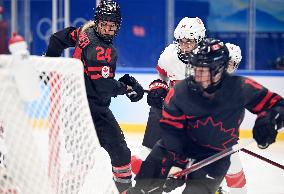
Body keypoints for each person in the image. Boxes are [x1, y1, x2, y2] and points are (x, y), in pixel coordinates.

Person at [127, 38, 284, 194]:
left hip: (215, 154)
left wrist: (269, 121)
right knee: (142, 188)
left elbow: (277, 105)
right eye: (196, 68)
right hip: (177, 146)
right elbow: (173, 134)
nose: (197, 75)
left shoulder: (240, 88)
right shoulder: (180, 92)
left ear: (220, 70)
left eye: (204, 70)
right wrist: (178, 165)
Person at [131, 17, 246, 194]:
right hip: (172, 118)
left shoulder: (210, 59)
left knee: (232, 167)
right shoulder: (169, 55)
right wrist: (158, 87)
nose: (184, 46)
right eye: (181, 41)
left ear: (199, 41)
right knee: (147, 158)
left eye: (189, 42)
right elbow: (161, 78)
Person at [45, 0, 144, 193]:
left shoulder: (84, 32)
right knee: (109, 155)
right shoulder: (103, 50)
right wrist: (127, 88)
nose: (107, 30)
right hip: (89, 111)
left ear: (118, 26)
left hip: (75, 106)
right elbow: (103, 86)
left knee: (99, 156)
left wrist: (49, 63)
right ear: (97, 22)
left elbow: (57, 39)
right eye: (104, 25)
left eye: (112, 26)